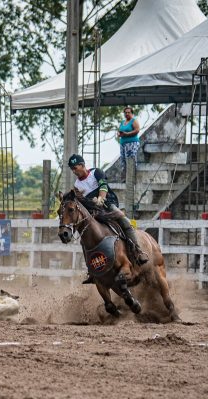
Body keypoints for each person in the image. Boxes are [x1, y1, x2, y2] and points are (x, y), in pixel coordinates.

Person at [67, 154, 148, 284]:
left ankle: (138, 251)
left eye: (75, 168)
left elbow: (103, 185)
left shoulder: (96, 172)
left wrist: (101, 198)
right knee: (84, 239)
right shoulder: (76, 185)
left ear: (82, 165)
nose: (74, 171)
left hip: (108, 204)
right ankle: (91, 270)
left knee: (124, 221)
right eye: (72, 169)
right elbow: (81, 202)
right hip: (94, 212)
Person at [118, 106, 140, 174]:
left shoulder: (134, 120)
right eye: (125, 112)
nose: (127, 114)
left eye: (128, 112)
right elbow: (120, 130)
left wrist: (127, 134)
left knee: (130, 160)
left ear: (132, 113)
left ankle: (132, 176)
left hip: (132, 143)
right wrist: (119, 133)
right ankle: (125, 177)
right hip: (123, 144)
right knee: (123, 161)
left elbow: (137, 130)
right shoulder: (122, 122)